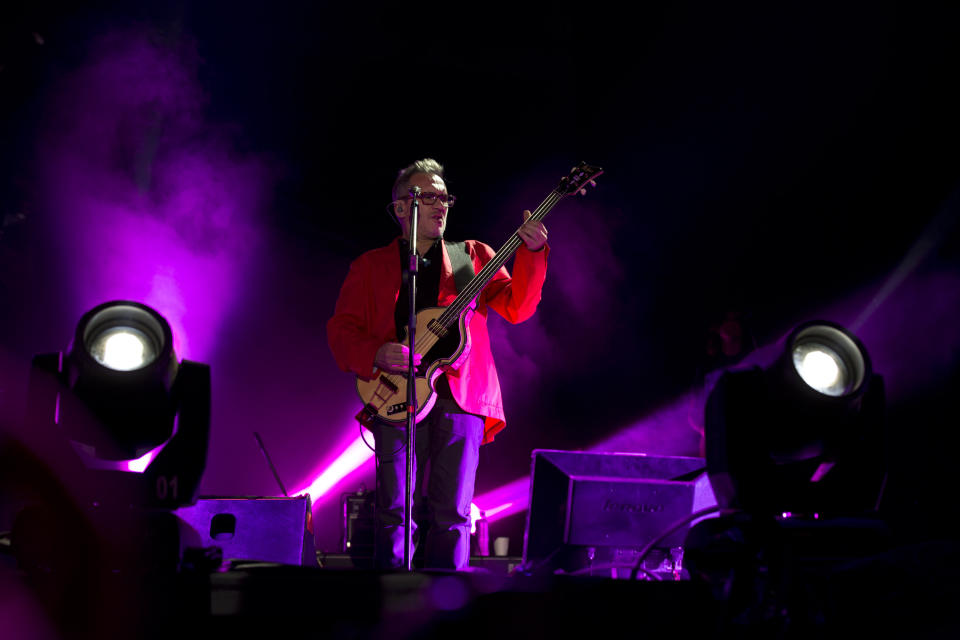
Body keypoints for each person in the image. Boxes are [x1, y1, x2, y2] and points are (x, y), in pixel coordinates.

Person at [326, 158, 549, 570]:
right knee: (394, 511)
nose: (440, 204)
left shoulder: (472, 256)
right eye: (428, 196)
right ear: (399, 208)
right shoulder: (370, 266)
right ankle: (391, 606)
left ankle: (448, 608)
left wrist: (533, 252)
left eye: (444, 197)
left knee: (454, 515)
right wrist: (376, 352)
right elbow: (342, 330)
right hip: (397, 396)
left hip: (462, 398)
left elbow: (518, 307)